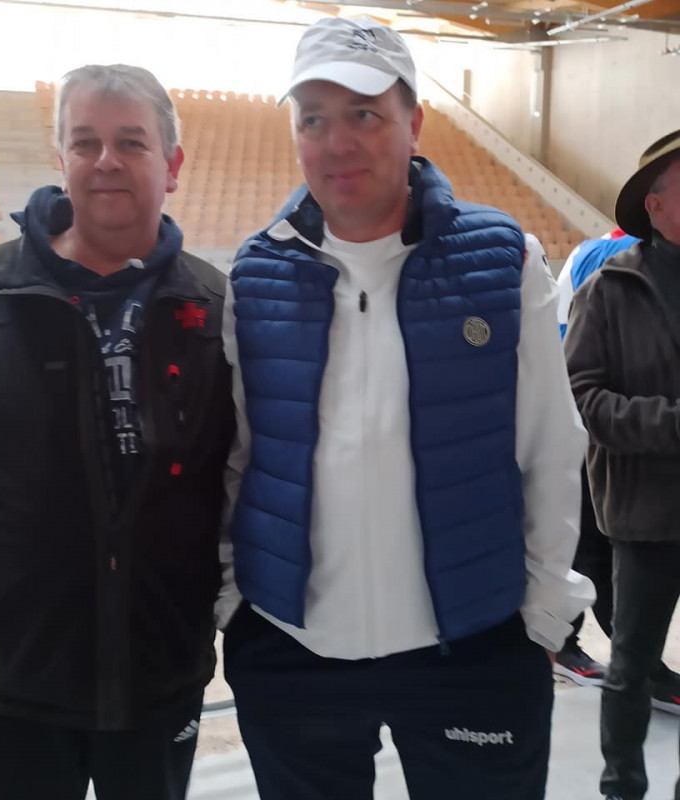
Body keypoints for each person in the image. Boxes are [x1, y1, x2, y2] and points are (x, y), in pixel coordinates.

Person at [217, 16, 594, 800]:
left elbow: (551, 446)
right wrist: (233, 602)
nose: (337, 142)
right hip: (292, 647)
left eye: (364, 114)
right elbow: (238, 454)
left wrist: (543, 614)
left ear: (414, 122)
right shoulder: (257, 272)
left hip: (475, 644)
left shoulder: (504, 259)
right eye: (313, 119)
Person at [0, 64, 234, 800]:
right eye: (85, 142)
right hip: (16, 680)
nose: (106, 160)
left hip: (160, 676)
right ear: (61, 158)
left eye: (131, 142)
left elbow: (240, 484)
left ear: (171, 165)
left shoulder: (212, 304)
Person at [565, 129, 680, 800]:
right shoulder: (609, 289)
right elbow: (585, 401)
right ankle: (622, 787)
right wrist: (673, 423)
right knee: (633, 665)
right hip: (643, 514)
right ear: (655, 205)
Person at [554, 231, 680, 715]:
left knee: (590, 551)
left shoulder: (595, 253)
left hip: (616, 447)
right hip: (604, 448)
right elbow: (578, 371)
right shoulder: (606, 266)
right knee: (593, 551)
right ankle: (576, 649)